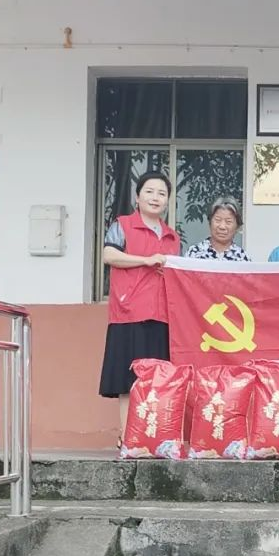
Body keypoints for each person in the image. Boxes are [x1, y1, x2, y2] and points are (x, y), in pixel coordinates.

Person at [98, 171, 181, 440]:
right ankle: (127, 438)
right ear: (137, 197)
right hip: (128, 313)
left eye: (162, 193)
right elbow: (109, 255)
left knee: (158, 379)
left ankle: (153, 438)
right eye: (150, 191)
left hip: (162, 315)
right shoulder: (122, 225)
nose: (155, 198)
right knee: (127, 380)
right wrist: (146, 260)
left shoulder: (172, 237)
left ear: (167, 200)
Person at [185, 197, 250, 260]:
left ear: (237, 226)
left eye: (228, 221)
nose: (222, 226)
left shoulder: (242, 258)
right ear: (210, 222)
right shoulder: (194, 253)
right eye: (218, 220)